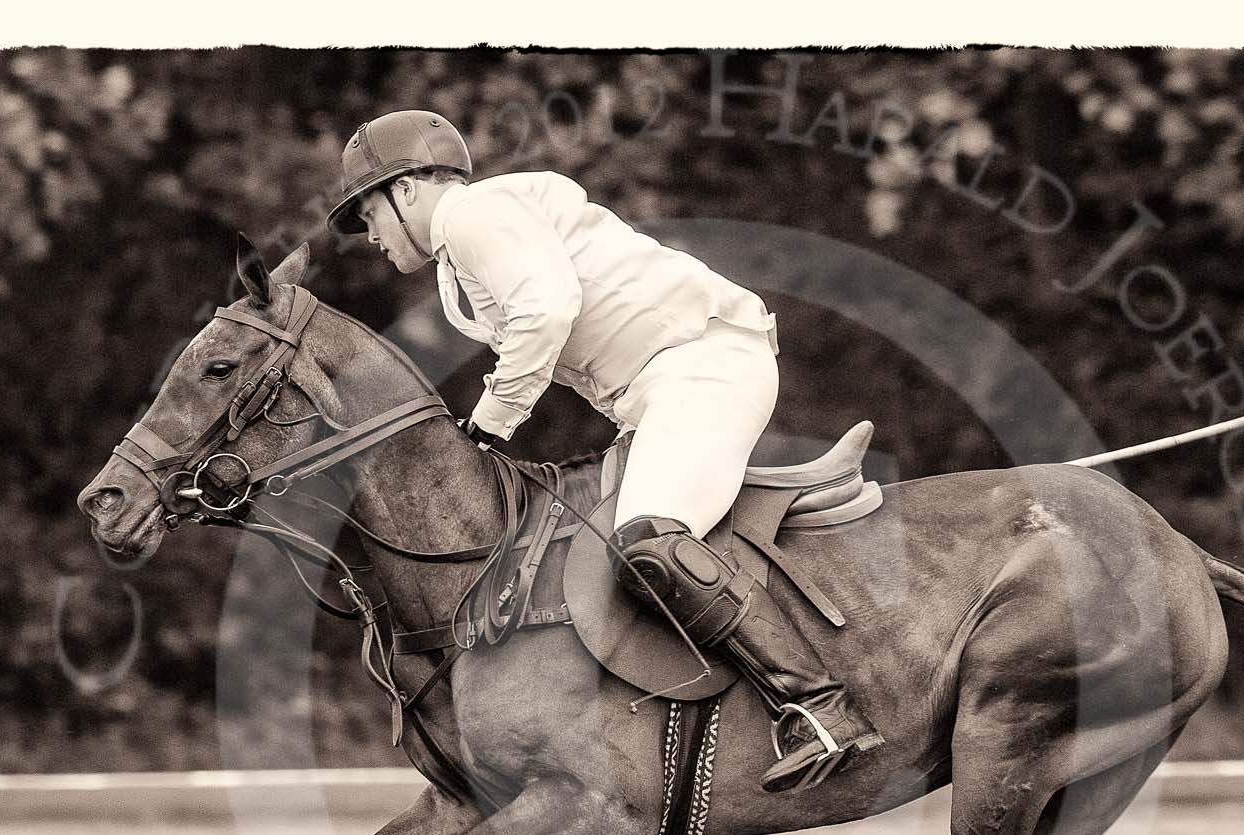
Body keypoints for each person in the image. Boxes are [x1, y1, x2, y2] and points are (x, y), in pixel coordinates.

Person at [328, 110, 881, 792]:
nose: (370, 235)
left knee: (644, 539)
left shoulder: (473, 214)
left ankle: (821, 708)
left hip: (702, 364)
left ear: (408, 189)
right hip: (657, 392)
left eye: (368, 211)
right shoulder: (461, 260)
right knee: (588, 552)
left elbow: (548, 310)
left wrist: (492, 419)